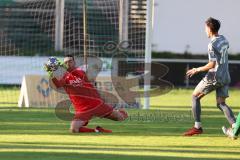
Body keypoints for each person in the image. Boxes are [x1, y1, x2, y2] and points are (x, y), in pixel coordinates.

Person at [45, 54, 128, 133]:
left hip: (97, 104)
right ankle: (97, 130)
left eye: (70, 61)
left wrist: (61, 66)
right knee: (74, 129)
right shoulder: (64, 78)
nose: (68, 63)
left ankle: (119, 111)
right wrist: (51, 74)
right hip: (82, 110)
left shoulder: (81, 72)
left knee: (120, 118)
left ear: (74, 62)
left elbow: (74, 72)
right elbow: (58, 85)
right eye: (65, 62)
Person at [184, 17, 236, 136]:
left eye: (205, 28)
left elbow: (211, 64)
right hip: (225, 75)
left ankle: (197, 127)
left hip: (215, 76)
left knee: (195, 97)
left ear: (209, 28)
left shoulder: (211, 44)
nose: (205, 31)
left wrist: (196, 69)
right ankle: (234, 126)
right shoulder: (223, 39)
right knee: (221, 103)